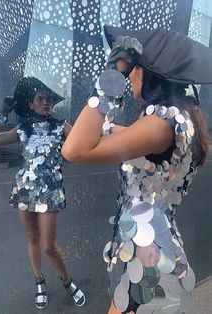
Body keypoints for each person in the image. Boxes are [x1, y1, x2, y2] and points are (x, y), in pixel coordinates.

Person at [61, 27, 210, 314]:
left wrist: (112, 76)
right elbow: (121, 137)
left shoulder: (161, 122)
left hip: (147, 256)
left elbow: (74, 151)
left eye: (133, 69)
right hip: (152, 246)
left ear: (150, 70)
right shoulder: (178, 117)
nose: (130, 76)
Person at [0, 77, 85, 309]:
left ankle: (67, 280)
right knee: (32, 238)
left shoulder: (62, 126)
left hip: (50, 191)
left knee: (49, 245)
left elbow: (83, 140)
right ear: (31, 104)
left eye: (49, 99)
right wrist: (2, 113)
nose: (46, 102)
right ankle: (39, 280)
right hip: (25, 191)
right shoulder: (22, 130)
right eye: (41, 99)